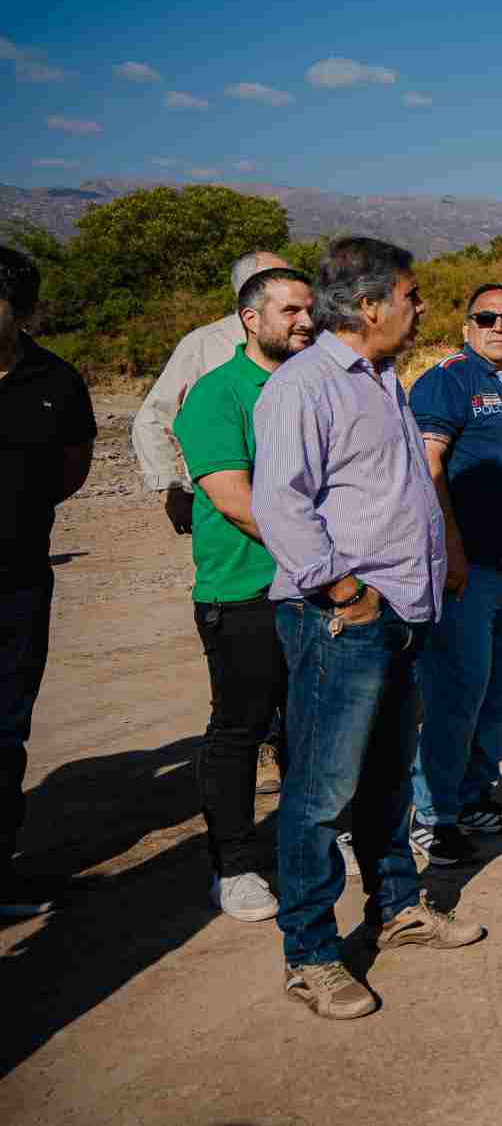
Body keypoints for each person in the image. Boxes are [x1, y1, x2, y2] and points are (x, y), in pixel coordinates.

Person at [253, 237, 485, 1020]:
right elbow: (281, 502)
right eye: (413, 295)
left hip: (398, 613)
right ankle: (312, 952)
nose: (422, 309)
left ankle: (396, 906)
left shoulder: (383, 377)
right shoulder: (304, 385)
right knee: (320, 792)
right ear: (369, 304)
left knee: (386, 775)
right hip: (341, 619)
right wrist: (344, 588)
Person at [172, 266, 314, 922]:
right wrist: (323, 554)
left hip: (315, 588)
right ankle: (233, 865)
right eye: (289, 310)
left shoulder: (319, 387)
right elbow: (233, 498)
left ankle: (312, 839)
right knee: (240, 729)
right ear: (251, 319)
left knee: (310, 726)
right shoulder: (219, 394)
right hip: (245, 590)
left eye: (309, 309)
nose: (305, 321)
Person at [405, 284, 502, 867]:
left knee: (498, 696)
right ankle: (431, 816)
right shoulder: (450, 379)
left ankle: (474, 800)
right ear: (468, 324)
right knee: (455, 696)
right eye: (486, 317)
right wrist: (450, 547)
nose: (500, 327)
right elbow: (428, 462)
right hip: (469, 571)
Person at [135, 248, 289, 793]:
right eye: (267, 281)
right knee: (243, 652)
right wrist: (171, 485)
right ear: (247, 298)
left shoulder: (303, 342)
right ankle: (258, 754)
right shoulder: (203, 347)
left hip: (295, 532)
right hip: (233, 514)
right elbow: (154, 417)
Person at [0, 245, 95, 918]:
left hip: (18, 582)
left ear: (21, 308)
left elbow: (72, 468)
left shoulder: (56, 381)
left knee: (6, 729)